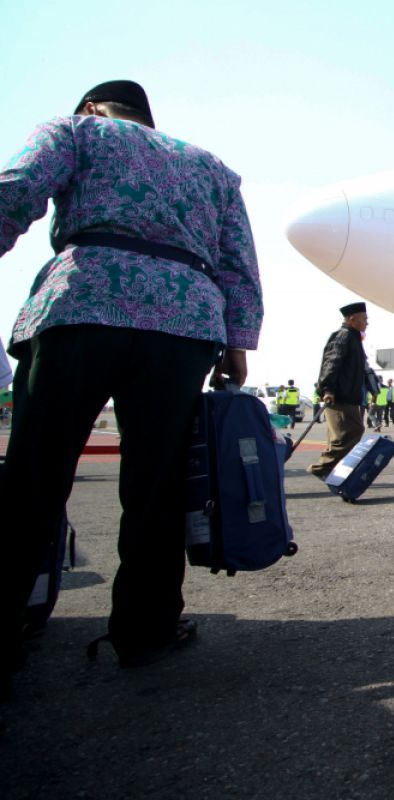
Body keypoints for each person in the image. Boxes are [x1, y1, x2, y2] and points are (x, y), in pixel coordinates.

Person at [0, 80, 263, 677]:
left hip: (84, 302)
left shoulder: (76, 130)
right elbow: (238, 261)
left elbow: (15, 190)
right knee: (158, 486)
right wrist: (239, 342)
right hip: (183, 321)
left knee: (34, 480)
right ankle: (146, 631)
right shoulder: (211, 166)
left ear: (92, 106)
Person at [308, 302, 370, 478]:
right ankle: (323, 467)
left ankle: (333, 470)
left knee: (340, 436)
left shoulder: (353, 337)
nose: (367, 323)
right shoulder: (343, 336)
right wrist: (328, 389)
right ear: (352, 319)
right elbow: (331, 363)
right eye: (364, 319)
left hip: (348, 396)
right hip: (340, 397)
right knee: (350, 433)